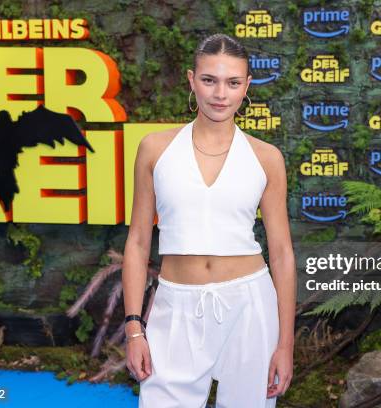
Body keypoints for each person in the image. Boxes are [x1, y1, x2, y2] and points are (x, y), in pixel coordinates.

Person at [122, 33, 296, 408]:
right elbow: (138, 242)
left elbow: (281, 253)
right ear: (191, 79)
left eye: (233, 82)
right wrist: (134, 328)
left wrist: (285, 344)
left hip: (250, 306)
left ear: (247, 86)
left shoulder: (267, 158)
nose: (221, 94)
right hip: (175, 307)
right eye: (209, 80)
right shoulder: (155, 149)